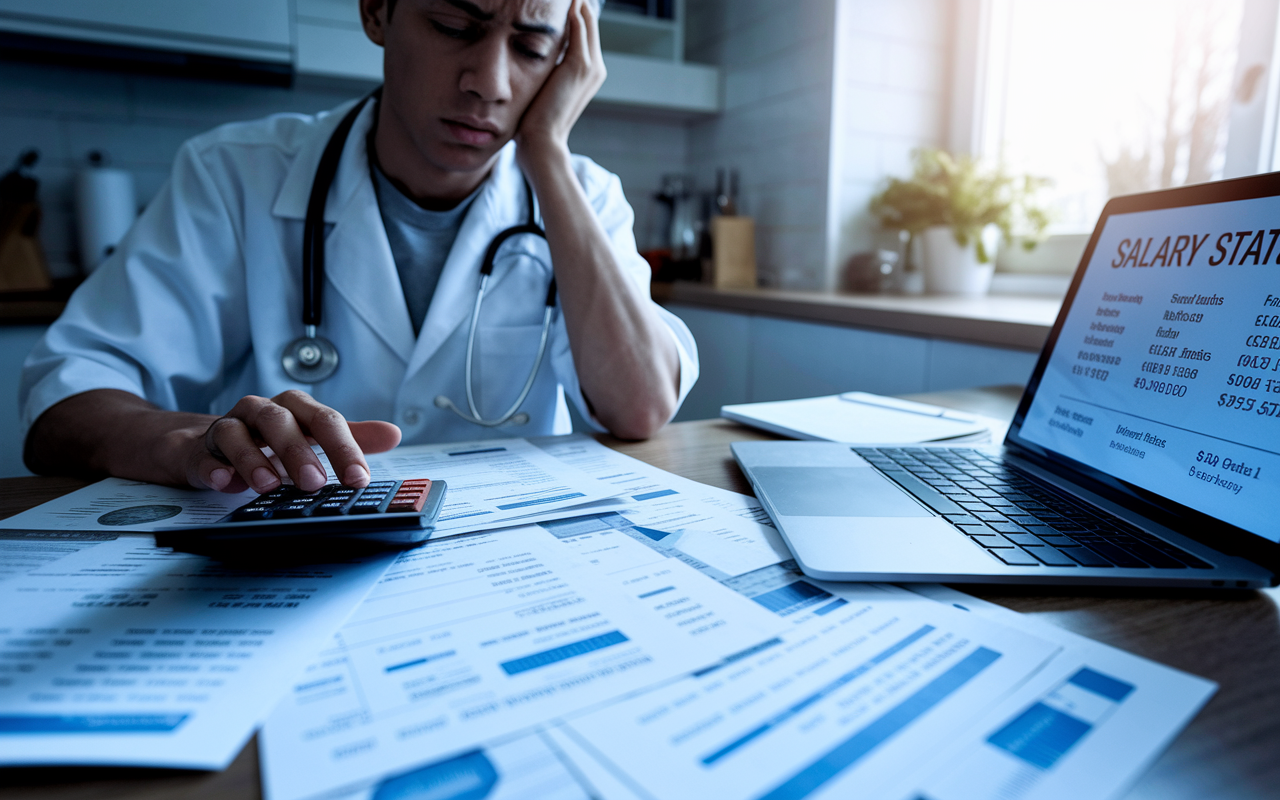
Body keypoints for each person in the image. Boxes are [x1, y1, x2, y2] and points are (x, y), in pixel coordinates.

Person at [19, 0, 697, 497]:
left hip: (504, 563)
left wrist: (547, 152)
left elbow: (639, 409)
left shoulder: (582, 195)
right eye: (455, 26)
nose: (489, 82)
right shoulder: (234, 174)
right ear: (377, 11)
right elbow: (64, 406)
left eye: (529, 47)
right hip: (291, 555)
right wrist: (184, 444)